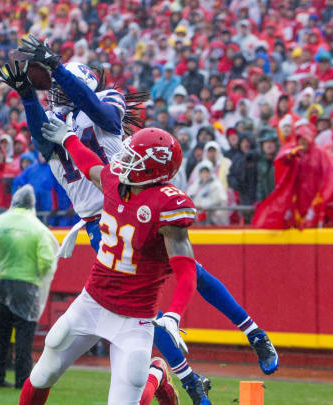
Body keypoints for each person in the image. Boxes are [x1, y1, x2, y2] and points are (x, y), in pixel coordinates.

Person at [1, 39, 276, 404]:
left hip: (138, 198)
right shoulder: (56, 123)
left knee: (189, 276)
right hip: (103, 217)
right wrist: (27, 98)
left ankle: (249, 336)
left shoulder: (105, 100)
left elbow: (106, 117)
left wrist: (59, 70)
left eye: (58, 84)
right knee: (139, 303)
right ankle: (184, 375)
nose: (54, 92)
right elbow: (49, 142)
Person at [23, 122, 198, 405]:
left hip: (135, 318)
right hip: (92, 302)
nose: (123, 160)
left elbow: (187, 270)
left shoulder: (167, 207)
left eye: (133, 158)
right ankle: (153, 374)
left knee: (128, 396)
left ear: (152, 169)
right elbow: (90, 165)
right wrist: (68, 139)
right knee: (44, 369)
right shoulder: (116, 182)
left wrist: (174, 315)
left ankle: (156, 374)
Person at [0, 185, 56, 389]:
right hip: (27, 285)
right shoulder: (38, 228)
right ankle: (22, 379)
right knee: (24, 336)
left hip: (0, 282)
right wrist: (36, 275)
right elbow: (46, 261)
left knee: (0, 333)